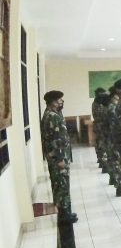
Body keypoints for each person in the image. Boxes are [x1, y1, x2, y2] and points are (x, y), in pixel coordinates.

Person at [41, 90, 77, 224]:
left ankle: (62, 211)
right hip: (58, 158)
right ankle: (64, 215)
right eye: (60, 99)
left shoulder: (51, 114)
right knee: (62, 185)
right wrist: (60, 158)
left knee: (58, 184)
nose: (62, 102)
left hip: (54, 157)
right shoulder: (52, 116)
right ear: (53, 102)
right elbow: (56, 139)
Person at [91, 87, 108, 173]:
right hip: (101, 127)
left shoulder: (96, 102)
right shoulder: (98, 104)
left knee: (99, 144)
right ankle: (104, 164)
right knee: (102, 145)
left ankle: (101, 160)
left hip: (99, 127)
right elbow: (103, 115)